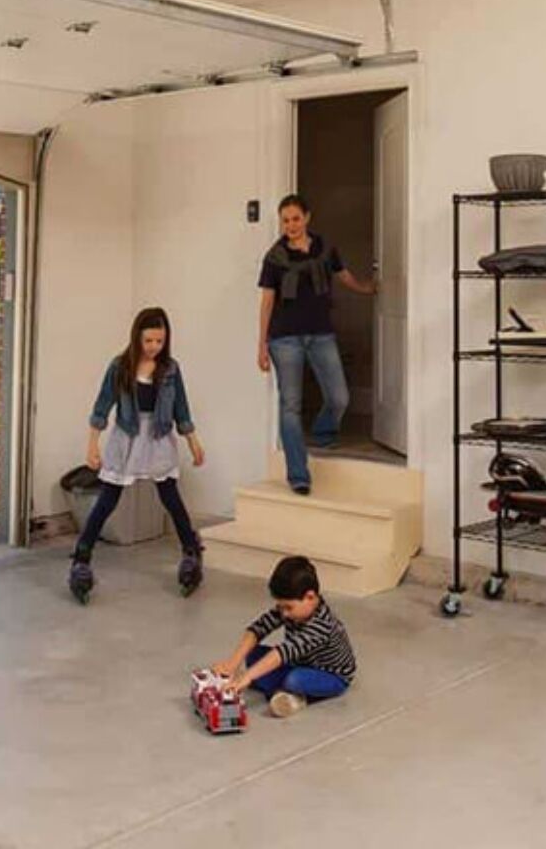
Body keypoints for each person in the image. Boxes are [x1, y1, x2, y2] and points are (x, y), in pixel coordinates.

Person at [70, 307, 207, 604]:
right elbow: (102, 406)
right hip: (127, 438)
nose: (154, 347)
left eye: (159, 341)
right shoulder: (119, 367)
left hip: (158, 438)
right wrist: (92, 445)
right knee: (108, 499)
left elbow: (181, 409)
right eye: (148, 341)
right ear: (137, 338)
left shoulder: (170, 369)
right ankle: (82, 557)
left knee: (170, 497)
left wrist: (193, 442)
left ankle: (191, 550)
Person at [256, 194, 377, 495]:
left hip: (321, 334)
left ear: (307, 218)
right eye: (285, 220)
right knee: (290, 406)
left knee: (339, 397)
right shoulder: (274, 258)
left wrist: (365, 288)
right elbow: (267, 301)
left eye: (296, 218)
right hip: (284, 339)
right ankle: (298, 474)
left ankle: (324, 431)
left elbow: (342, 275)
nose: (291, 225)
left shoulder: (325, 249)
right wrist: (261, 345)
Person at [210, 555, 356, 718]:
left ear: (310, 597)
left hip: (331, 676)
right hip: (299, 662)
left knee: (294, 679)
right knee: (253, 655)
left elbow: (283, 652)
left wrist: (247, 676)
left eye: (288, 607)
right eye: (281, 607)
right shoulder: (291, 610)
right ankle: (283, 690)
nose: (284, 613)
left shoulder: (321, 625)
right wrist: (233, 663)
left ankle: (297, 697)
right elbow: (259, 628)